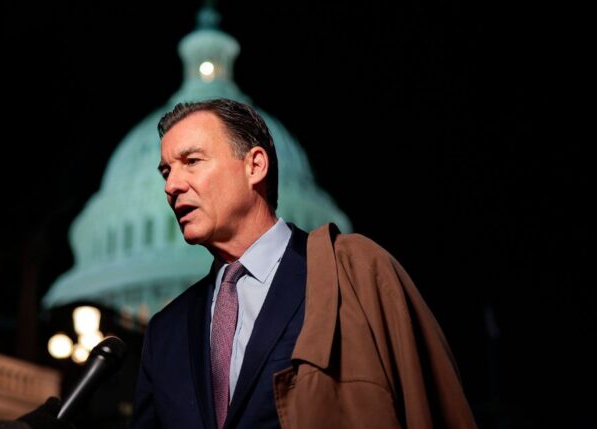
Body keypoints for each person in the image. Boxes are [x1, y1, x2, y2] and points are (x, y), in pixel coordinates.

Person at [129, 98, 476, 428]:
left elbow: (433, 409)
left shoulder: (353, 272)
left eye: (192, 161)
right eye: (165, 171)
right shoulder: (164, 333)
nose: (171, 185)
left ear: (255, 166)